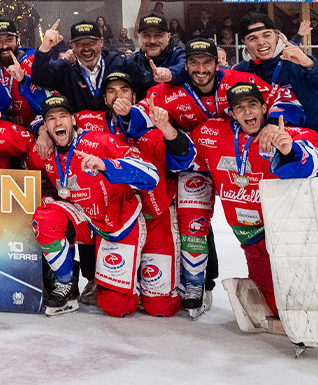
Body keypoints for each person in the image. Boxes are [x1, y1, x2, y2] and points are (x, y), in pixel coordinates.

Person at [124, 38, 304, 314]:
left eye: (207, 62)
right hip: (197, 158)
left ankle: (286, 283)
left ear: (217, 64)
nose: (201, 69)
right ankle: (196, 283)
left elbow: (283, 97)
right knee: (191, 220)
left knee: (256, 223)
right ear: (185, 66)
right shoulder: (168, 91)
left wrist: (271, 123)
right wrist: (127, 112)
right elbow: (142, 116)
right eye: (194, 63)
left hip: (237, 158)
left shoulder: (237, 80)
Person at [189, 83, 318, 329]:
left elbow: (313, 160)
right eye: (239, 107)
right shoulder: (212, 134)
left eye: (252, 104)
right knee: (277, 307)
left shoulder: (288, 134)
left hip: (288, 235)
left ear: (264, 107)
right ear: (232, 113)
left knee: (303, 297)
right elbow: (186, 157)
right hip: (250, 236)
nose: (247, 111)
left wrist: (289, 151)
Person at [73, 71, 195, 317]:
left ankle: (174, 279)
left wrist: (168, 129)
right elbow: (58, 121)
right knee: (115, 306)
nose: (118, 95)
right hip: (117, 220)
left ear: (134, 97)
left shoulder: (152, 129)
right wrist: (42, 131)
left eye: (124, 90)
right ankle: (124, 282)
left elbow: (184, 158)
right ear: (104, 99)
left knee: (161, 307)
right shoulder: (91, 123)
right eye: (111, 91)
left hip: (154, 217)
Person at [28, 95, 159, 317]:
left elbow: (151, 175)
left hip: (116, 220)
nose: (58, 122)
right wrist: (46, 200)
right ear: (46, 126)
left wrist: (106, 165)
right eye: (51, 119)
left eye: (63, 116)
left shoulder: (100, 141)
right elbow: (29, 179)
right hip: (83, 218)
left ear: (73, 120)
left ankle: (130, 278)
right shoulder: (43, 151)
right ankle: (66, 283)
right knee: (44, 218)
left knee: (116, 306)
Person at [31, 19, 147, 113]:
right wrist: (44, 48)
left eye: (92, 43)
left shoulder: (119, 63)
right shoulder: (66, 67)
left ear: (101, 42)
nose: (86, 48)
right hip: (80, 133)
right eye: (80, 44)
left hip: (115, 131)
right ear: (72, 46)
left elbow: (145, 86)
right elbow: (39, 78)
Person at [234, 12, 318, 131]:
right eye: (253, 38)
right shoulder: (243, 70)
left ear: (277, 35)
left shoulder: (296, 61)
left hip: (307, 136)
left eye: (266, 35)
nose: (261, 42)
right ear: (245, 43)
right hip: (267, 138)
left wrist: (310, 65)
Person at [0, 18, 48, 127]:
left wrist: (23, 80)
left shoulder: (32, 62)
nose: (4, 46)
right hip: (0, 131)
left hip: (33, 130)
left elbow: (45, 105)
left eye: (9, 39)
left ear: (18, 39)